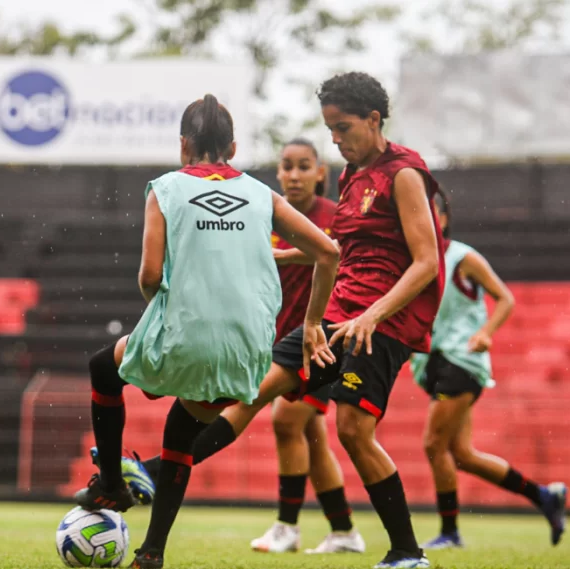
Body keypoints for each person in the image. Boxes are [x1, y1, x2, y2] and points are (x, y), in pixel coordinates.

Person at [138, 71, 445, 569]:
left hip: (382, 320)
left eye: (342, 128)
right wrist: (282, 265)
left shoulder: (404, 174)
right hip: (340, 313)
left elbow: (426, 261)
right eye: (330, 128)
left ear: (373, 120)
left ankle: (408, 553)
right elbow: (343, 253)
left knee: (351, 429)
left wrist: (372, 314)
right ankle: (153, 472)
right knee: (252, 390)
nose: (335, 139)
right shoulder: (352, 177)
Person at [73, 94, 341, 569]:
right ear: (233, 147)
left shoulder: (166, 188)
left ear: (183, 146)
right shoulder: (264, 196)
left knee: (102, 368)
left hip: (182, 338)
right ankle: (151, 553)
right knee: (182, 429)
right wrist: (313, 321)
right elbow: (329, 253)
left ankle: (111, 483)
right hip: (245, 355)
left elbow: (149, 277)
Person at [413, 188, 568, 550]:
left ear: (445, 218)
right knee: (463, 455)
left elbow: (505, 298)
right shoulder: (415, 260)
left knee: (434, 444)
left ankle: (450, 533)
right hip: (435, 361)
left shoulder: (463, 257)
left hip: (461, 360)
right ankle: (545, 496)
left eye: (431, 212)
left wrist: (485, 333)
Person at [247, 139, 364, 554]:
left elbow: (335, 258)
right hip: (282, 339)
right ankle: (344, 531)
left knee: (285, 420)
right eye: (287, 167)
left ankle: (287, 526)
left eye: (304, 167)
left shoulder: (335, 218)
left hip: (321, 341)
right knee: (311, 434)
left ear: (320, 173)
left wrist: (282, 256)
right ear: (277, 173)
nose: (294, 175)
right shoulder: (267, 215)